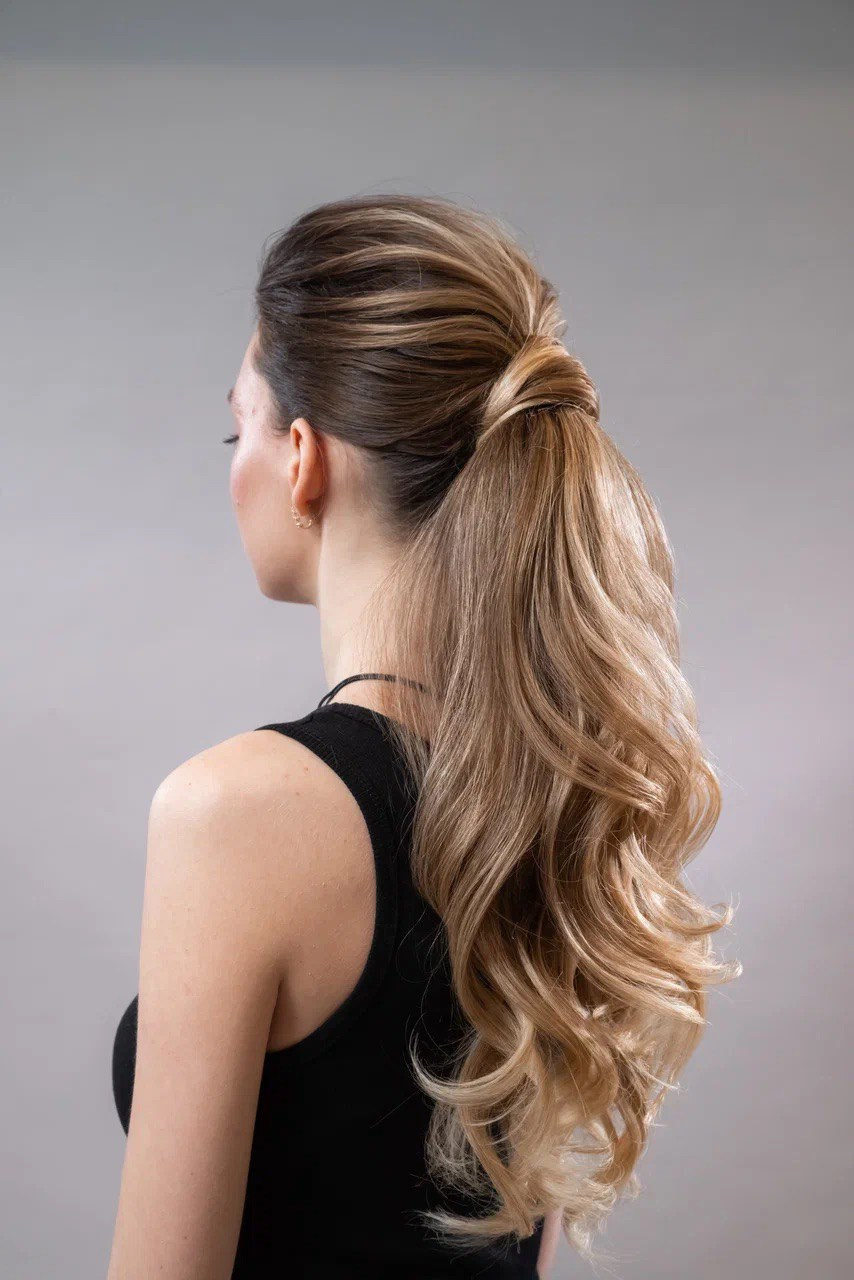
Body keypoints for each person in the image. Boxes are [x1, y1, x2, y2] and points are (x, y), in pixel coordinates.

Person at [107, 194, 738, 1279]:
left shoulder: (237, 814)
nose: (233, 462)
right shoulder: (549, 801)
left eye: (237, 425)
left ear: (301, 459)